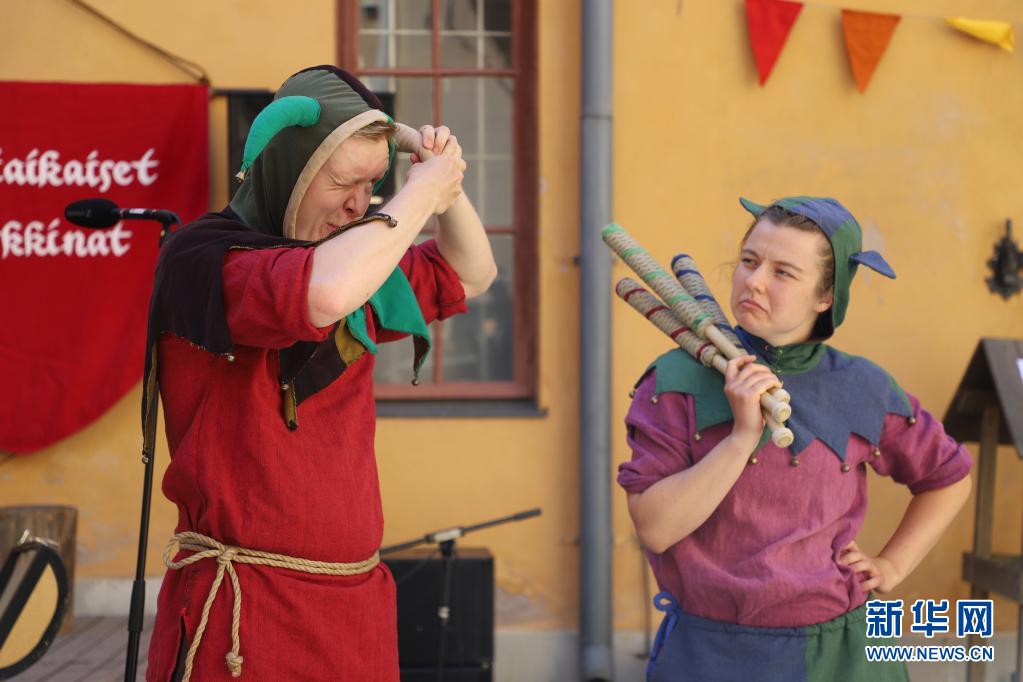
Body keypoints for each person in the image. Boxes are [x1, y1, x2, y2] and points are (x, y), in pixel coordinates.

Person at [142, 65, 496, 681]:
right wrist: (419, 196)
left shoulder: (355, 260)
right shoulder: (204, 257)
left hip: (354, 608)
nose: (360, 204)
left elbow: (471, 275)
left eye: (373, 185)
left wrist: (445, 182)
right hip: (248, 612)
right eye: (342, 181)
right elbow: (322, 295)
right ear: (291, 166)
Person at [618, 196, 972, 681]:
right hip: (710, 654)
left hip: (841, 655)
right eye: (749, 261)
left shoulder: (863, 387)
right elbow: (656, 528)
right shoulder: (676, 379)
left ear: (825, 297)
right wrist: (742, 437)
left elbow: (947, 477)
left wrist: (892, 565)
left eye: (783, 272)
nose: (754, 281)